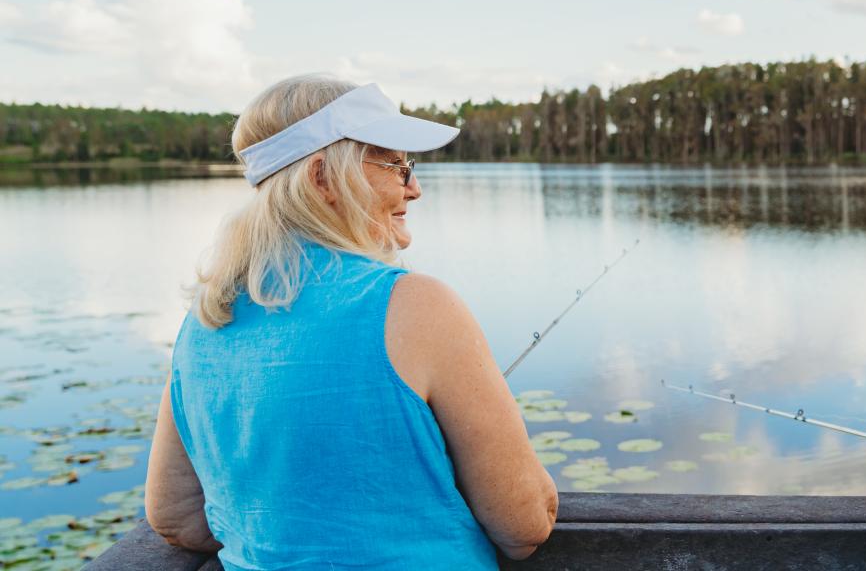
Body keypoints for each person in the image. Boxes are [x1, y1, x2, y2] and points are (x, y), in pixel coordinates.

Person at [143, 75, 558, 569]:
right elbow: (524, 524)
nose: (416, 188)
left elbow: (177, 519)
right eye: (398, 166)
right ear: (323, 178)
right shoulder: (416, 305)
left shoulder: (208, 314)